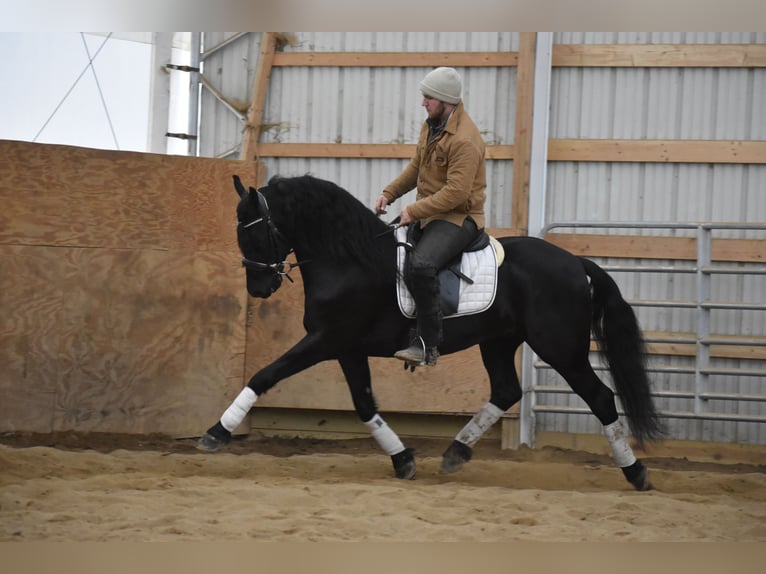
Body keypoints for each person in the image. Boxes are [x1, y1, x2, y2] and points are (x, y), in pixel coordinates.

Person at [374, 66, 487, 367]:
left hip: (458, 219)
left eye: (428, 98)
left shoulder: (464, 140)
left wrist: (413, 210)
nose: (423, 102)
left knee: (421, 265)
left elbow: (456, 194)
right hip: (431, 215)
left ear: (445, 101)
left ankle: (427, 344)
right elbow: (416, 168)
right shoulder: (432, 126)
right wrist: (390, 193)